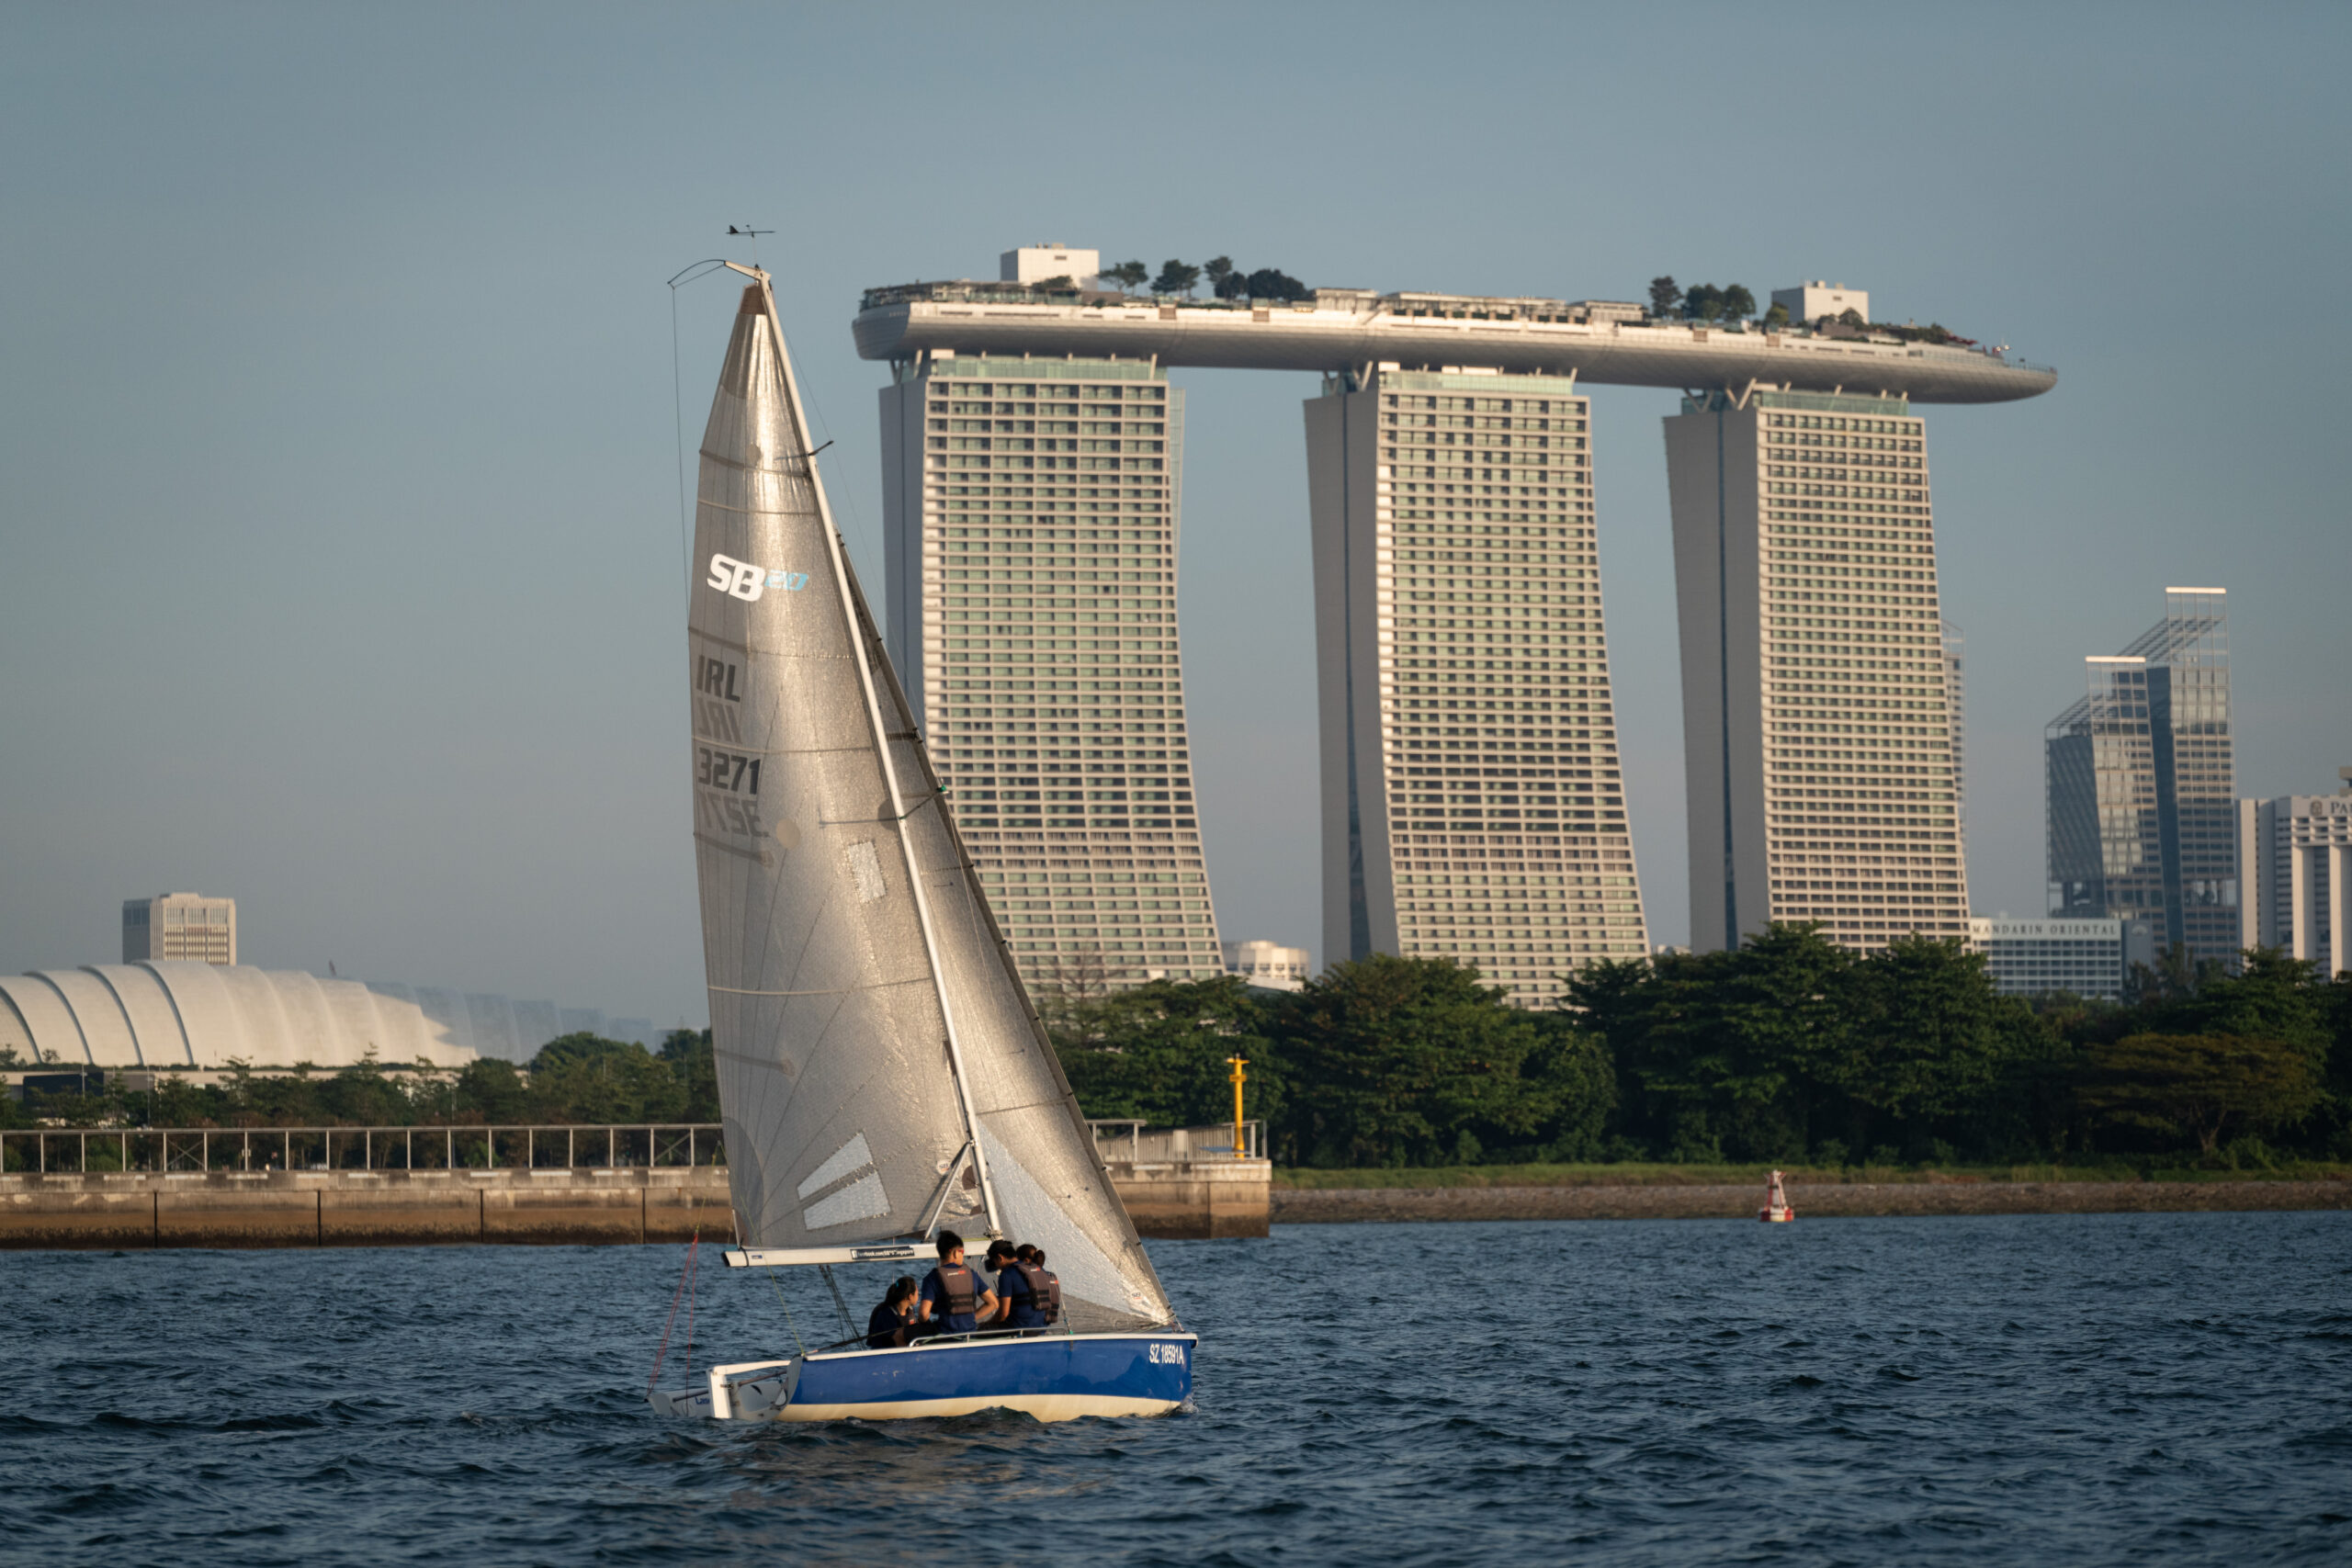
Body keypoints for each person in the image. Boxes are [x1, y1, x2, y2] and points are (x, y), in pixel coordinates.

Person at [916, 1230, 997, 1339]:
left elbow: (923, 1313)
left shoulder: (932, 1278)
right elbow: (993, 1303)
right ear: (955, 1253)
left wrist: (925, 1325)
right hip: (970, 1335)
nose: (963, 1255)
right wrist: (972, 1318)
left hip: (945, 1336)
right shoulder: (972, 1274)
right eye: (962, 1251)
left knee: (903, 1335)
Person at [866, 1277, 918, 1349]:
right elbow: (899, 1341)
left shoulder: (910, 1311)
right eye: (917, 1293)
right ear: (910, 1296)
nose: (918, 1295)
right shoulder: (887, 1314)